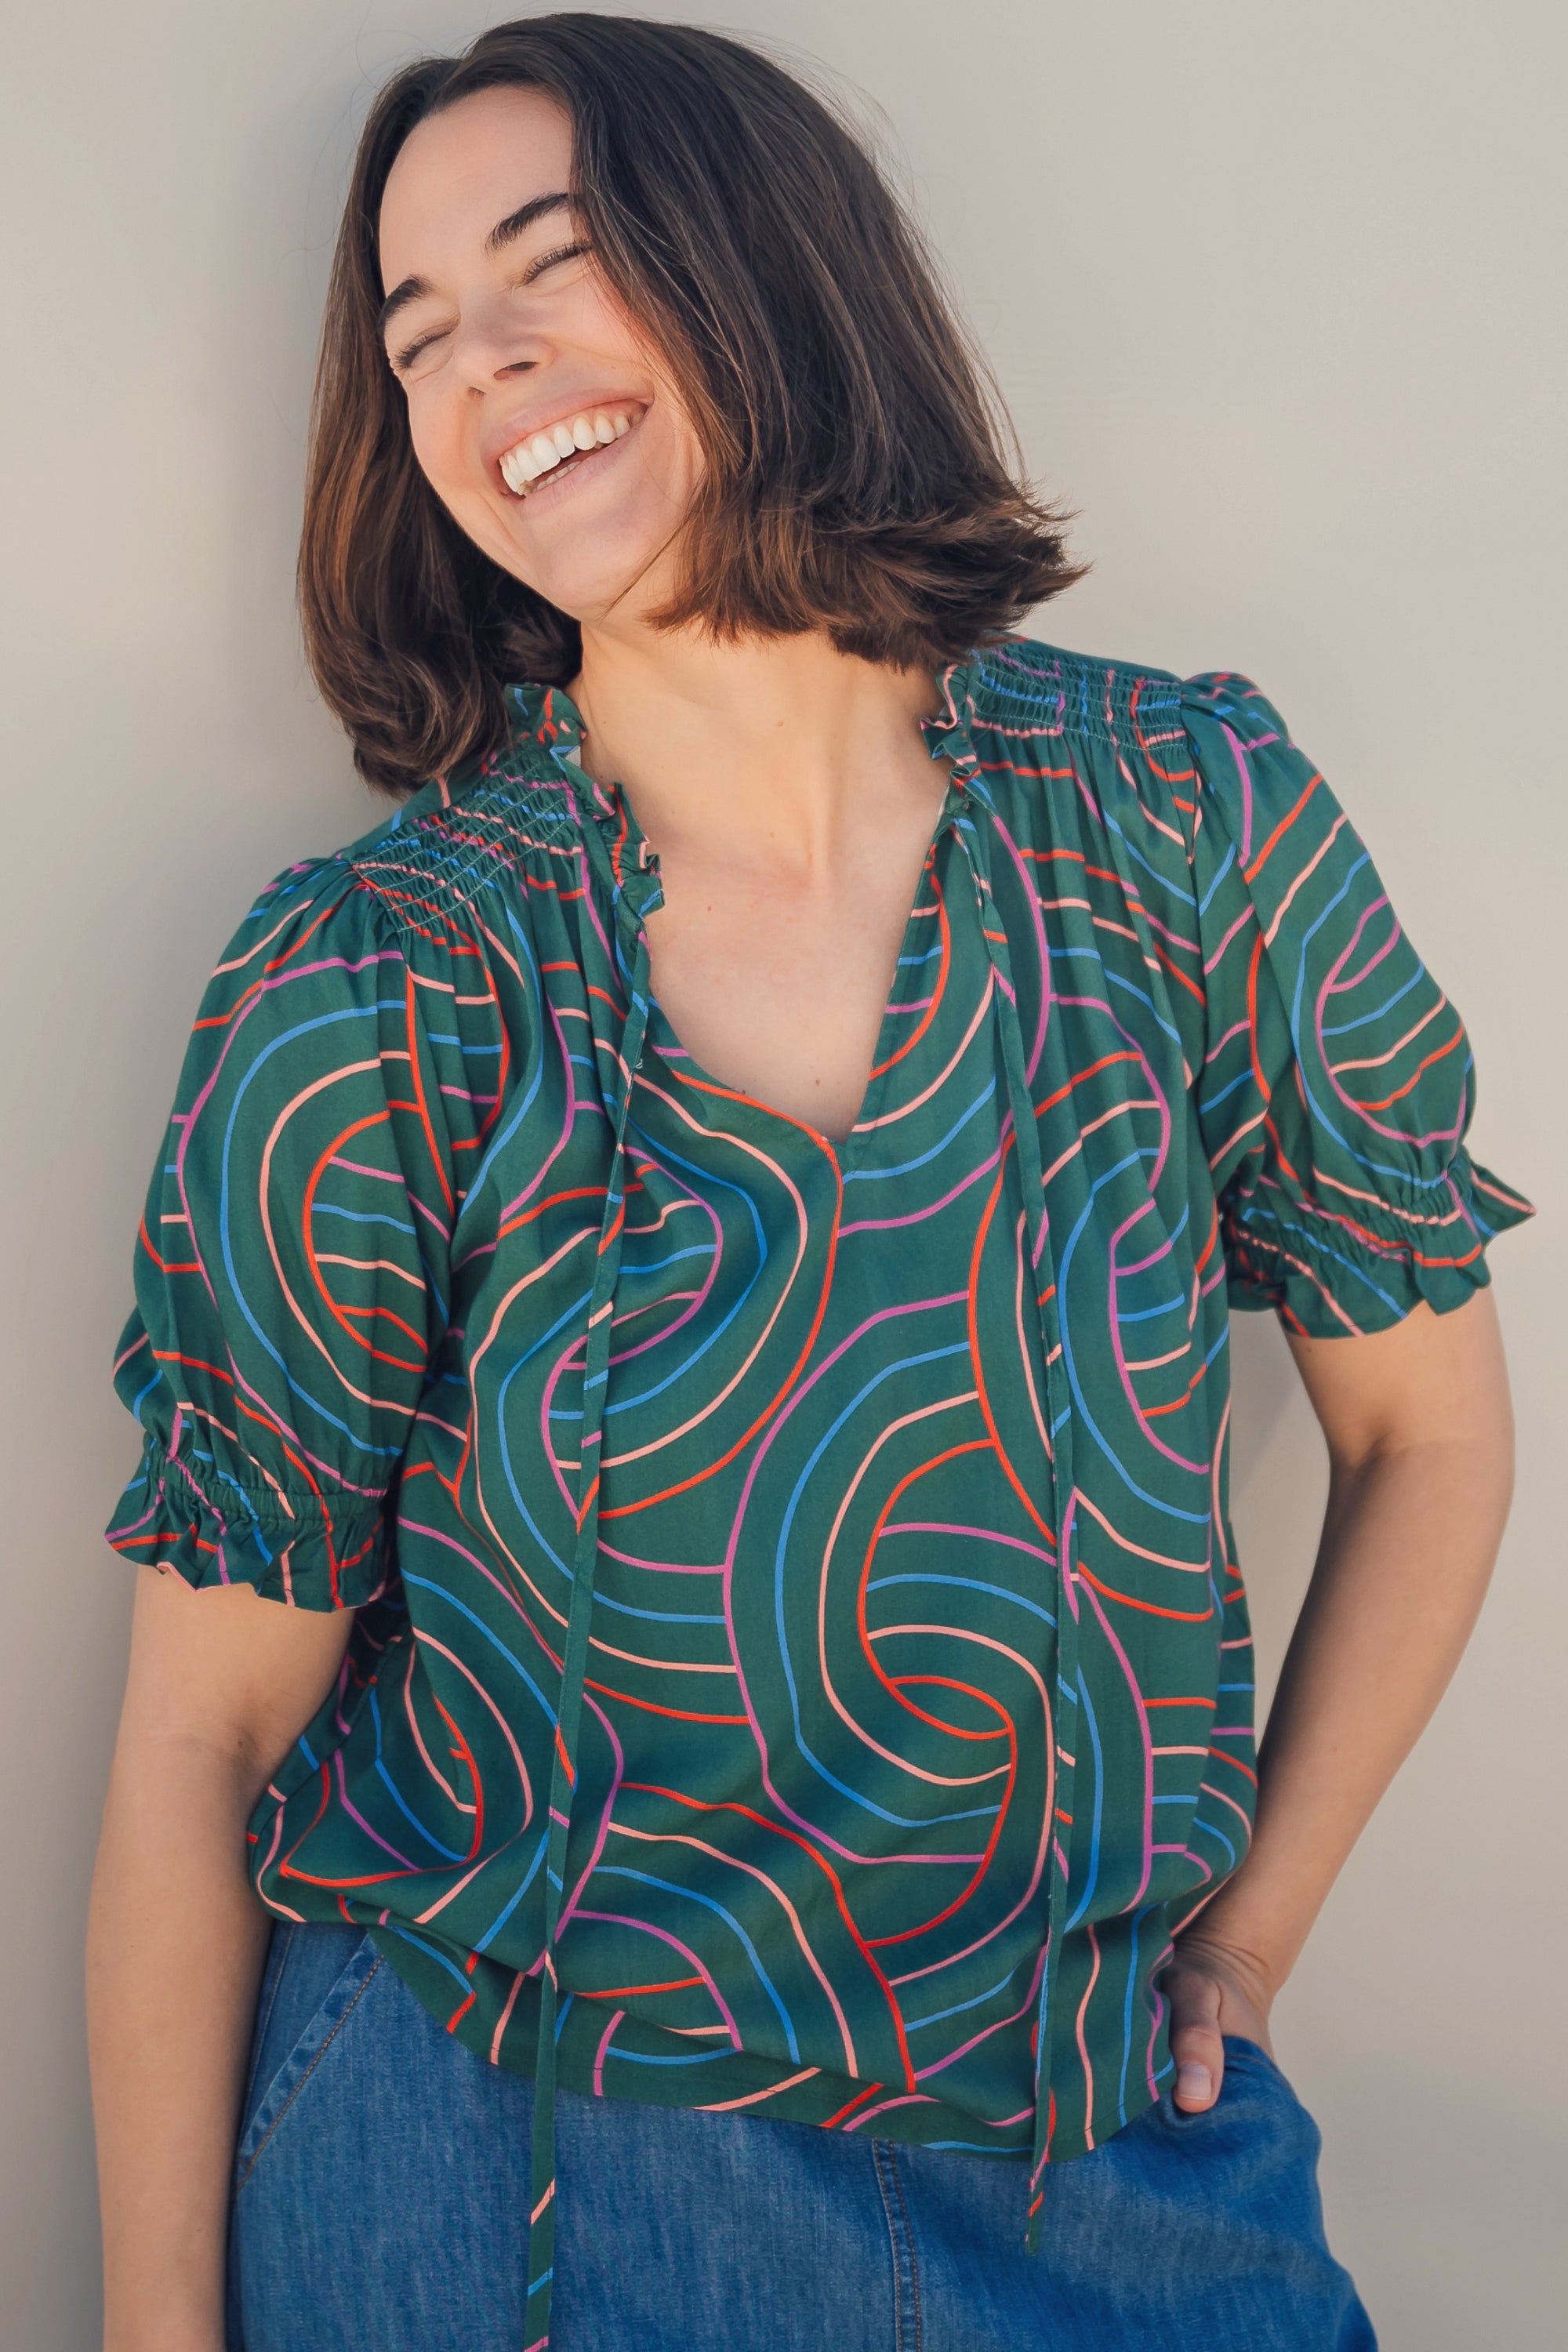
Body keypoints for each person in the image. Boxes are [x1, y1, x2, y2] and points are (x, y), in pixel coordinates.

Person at [85, 16, 1530, 2352]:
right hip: (511, 2179)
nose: (490, 368)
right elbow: (204, 1738)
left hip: (1106, 2153)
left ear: (764, 267)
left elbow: (1427, 1428)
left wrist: (1248, 1942)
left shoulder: (1183, 817)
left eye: (552, 264)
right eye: (421, 336)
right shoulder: (387, 981)